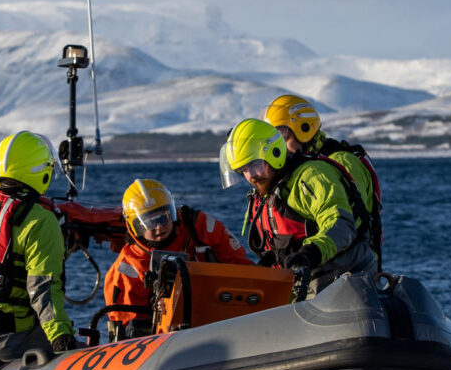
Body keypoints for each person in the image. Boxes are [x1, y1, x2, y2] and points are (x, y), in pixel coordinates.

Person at [0, 131, 77, 365]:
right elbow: (44, 289)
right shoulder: (40, 219)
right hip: (9, 343)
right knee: (78, 345)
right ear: (40, 171)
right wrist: (62, 338)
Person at [219, 118, 377, 296]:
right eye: (243, 170)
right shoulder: (270, 192)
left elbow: (340, 224)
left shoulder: (311, 177)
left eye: (255, 165)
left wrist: (310, 253)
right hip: (304, 285)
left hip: (343, 278)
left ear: (275, 153)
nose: (252, 176)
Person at [104, 178, 251, 340]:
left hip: (220, 315)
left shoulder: (201, 228)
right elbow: (128, 325)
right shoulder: (130, 265)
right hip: (164, 338)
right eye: (149, 222)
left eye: (163, 217)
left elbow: (241, 268)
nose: (159, 226)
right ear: (135, 225)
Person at [263, 94, 383, 266]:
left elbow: (349, 220)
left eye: (282, 138)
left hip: (351, 271)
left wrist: (311, 253)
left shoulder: (342, 162)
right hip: (317, 271)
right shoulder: (299, 170)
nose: (278, 147)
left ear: (304, 130)